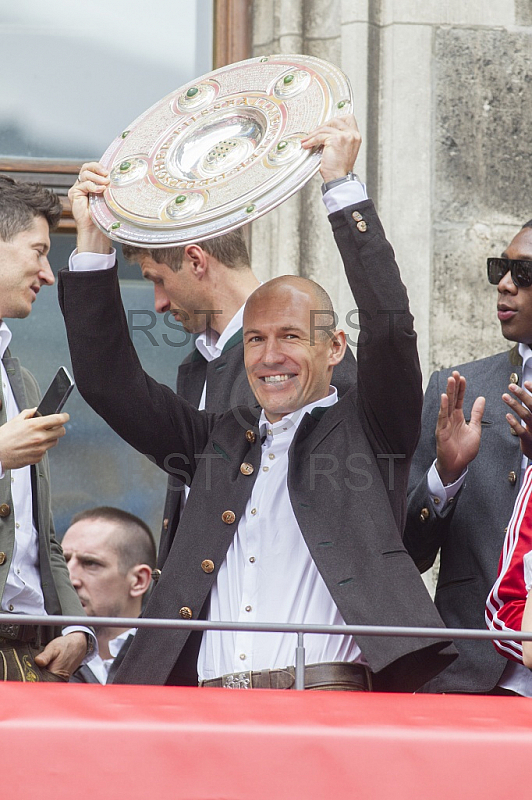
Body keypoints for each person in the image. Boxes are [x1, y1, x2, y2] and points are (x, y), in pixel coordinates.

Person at [59, 114, 455, 691]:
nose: (270, 356)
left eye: (291, 337)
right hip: (214, 703)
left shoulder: (370, 427)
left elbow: (392, 328)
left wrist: (341, 190)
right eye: (255, 340)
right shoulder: (213, 439)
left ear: (334, 346)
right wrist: (92, 248)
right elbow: (110, 384)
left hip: (326, 696)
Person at [120, 211, 357, 570]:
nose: (159, 303)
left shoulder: (318, 359)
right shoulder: (197, 364)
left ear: (196, 260)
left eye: (159, 280)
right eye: (256, 341)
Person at [405, 220, 532, 695]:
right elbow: (409, 552)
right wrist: (446, 475)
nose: (504, 283)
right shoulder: (459, 390)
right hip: (469, 677)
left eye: (524, 273)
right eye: (501, 268)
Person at [0, 175, 93, 681]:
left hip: (31, 659)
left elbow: (41, 533)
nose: (47, 273)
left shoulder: (21, 379)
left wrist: (76, 628)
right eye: (38, 251)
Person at [62, 507, 156, 684]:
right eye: (62, 561)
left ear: (138, 580)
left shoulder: (173, 660)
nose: (68, 578)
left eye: (90, 563)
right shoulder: (35, 657)